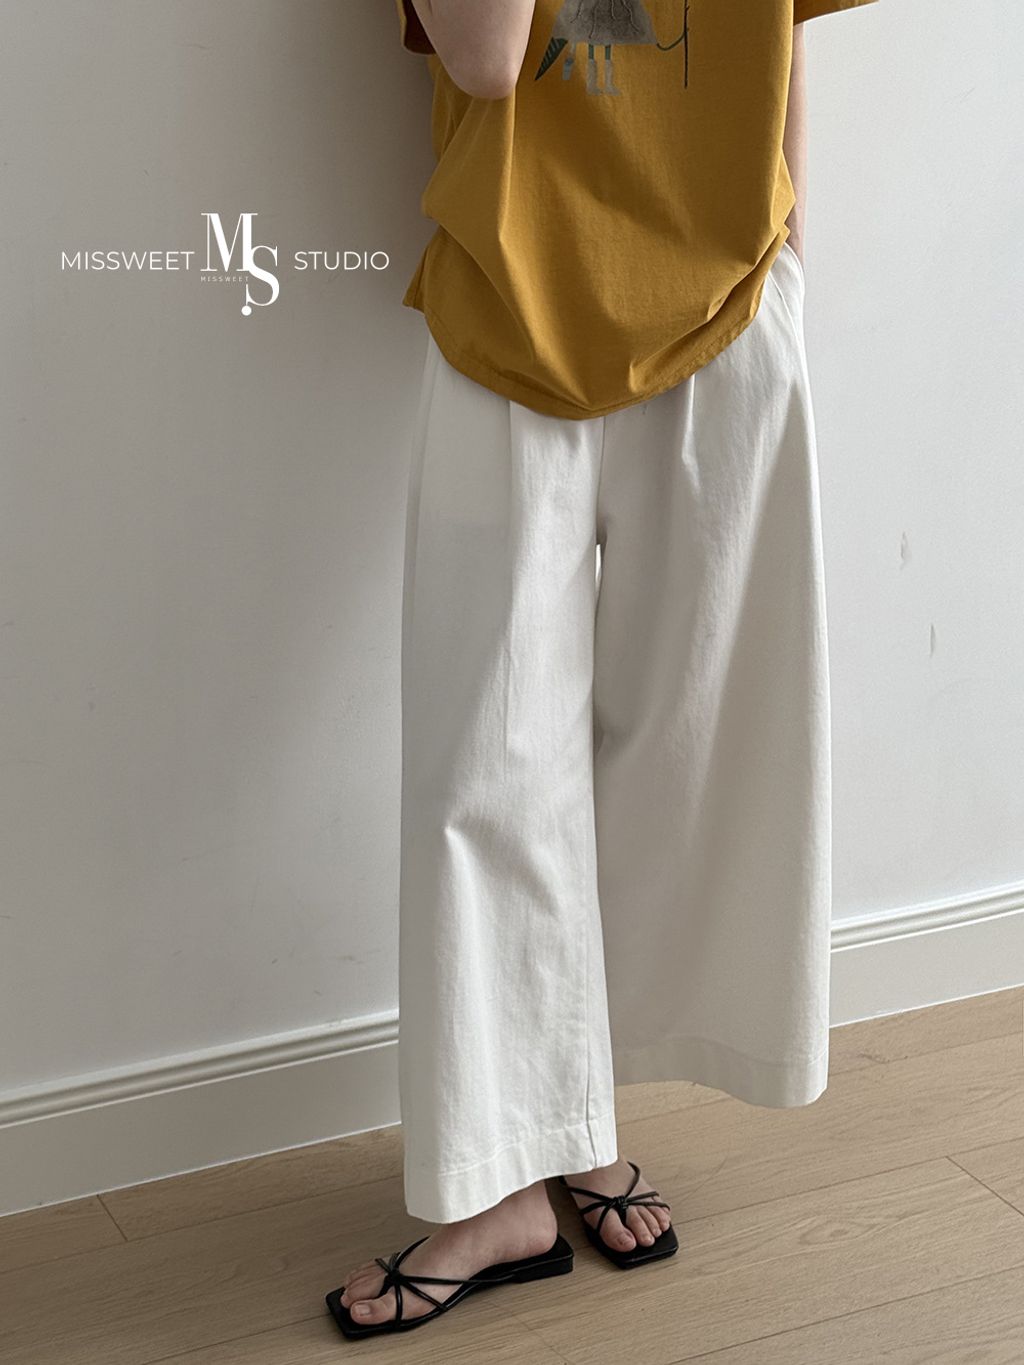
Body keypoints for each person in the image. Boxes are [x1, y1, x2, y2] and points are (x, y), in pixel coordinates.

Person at [326, 0, 878, 1339]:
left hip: (729, 312)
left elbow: (788, 38)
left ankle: (578, 1119)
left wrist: (788, 261)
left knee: (696, 740)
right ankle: (498, 1183)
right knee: (483, 773)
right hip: (513, 311)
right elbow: (485, 58)